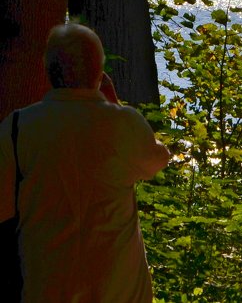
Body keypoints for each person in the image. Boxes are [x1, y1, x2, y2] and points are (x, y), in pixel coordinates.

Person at [0, 23, 171, 302]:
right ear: (99, 72)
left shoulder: (18, 127)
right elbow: (158, 159)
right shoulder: (122, 124)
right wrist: (116, 108)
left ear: (48, 70)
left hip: (47, 290)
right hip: (120, 292)